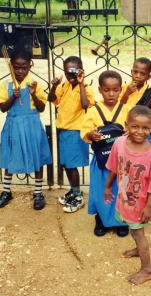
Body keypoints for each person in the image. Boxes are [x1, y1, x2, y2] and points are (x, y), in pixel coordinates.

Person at [104, 105, 151, 285]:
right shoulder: (119, 143)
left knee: (139, 233)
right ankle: (138, 250)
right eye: (135, 126)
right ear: (126, 126)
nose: (140, 131)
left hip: (141, 204)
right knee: (132, 228)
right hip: (125, 199)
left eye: (146, 128)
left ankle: (147, 270)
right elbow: (114, 167)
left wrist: (148, 206)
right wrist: (107, 187)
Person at [0, 49, 52, 210]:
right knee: (11, 155)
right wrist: (13, 96)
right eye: (16, 67)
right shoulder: (5, 84)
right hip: (13, 125)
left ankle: (38, 192)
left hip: (31, 125)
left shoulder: (34, 83)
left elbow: (41, 108)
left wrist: (33, 94)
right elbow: (3, 108)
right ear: (11, 66)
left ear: (30, 66)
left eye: (24, 67)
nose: (20, 71)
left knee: (37, 157)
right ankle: (6, 191)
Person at [80, 70, 130, 237]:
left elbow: (135, 128)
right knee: (101, 189)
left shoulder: (126, 109)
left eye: (115, 90)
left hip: (123, 160)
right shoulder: (94, 111)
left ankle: (121, 220)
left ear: (120, 90)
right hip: (102, 161)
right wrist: (91, 135)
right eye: (107, 90)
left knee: (122, 189)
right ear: (100, 90)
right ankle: (101, 218)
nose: (111, 94)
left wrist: (129, 133)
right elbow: (85, 131)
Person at [48, 56, 95, 213]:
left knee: (72, 166)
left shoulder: (86, 88)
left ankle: (78, 196)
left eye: (74, 72)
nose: (71, 76)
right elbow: (52, 99)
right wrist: (53, 86)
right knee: (67, 164)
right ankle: (74, 190)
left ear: (81, 70)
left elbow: (85, 105)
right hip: (64, 130)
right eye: (68, 73)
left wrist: (81, 84)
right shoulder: (64, 85)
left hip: (76, 131)